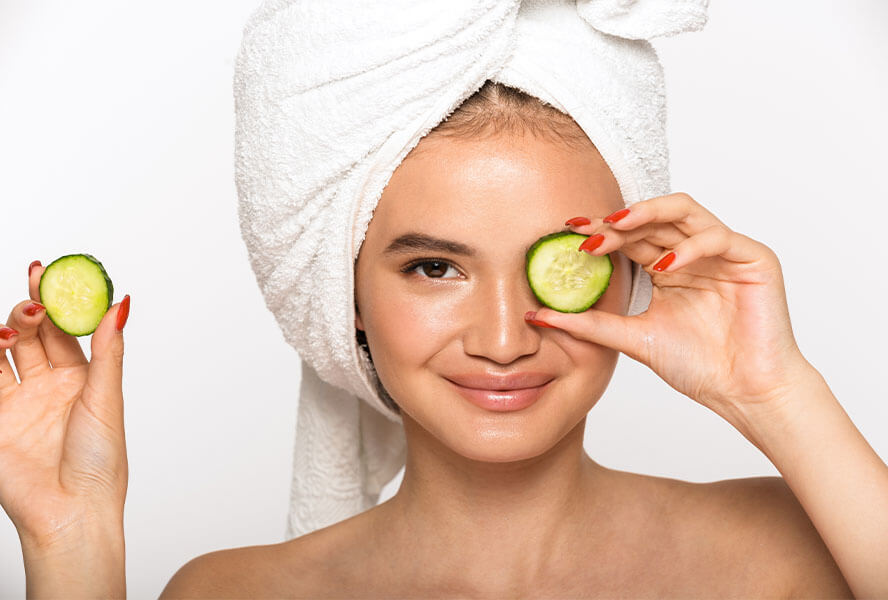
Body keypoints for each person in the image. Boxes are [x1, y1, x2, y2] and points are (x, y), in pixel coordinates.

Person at [3, 79, 887, 598]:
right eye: (434, 268)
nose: (503, 339)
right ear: (344, 293)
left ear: (628, 272)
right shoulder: (232, 593)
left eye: (557, 264)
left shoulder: (792, 551)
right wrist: (70, 542)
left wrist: (774, 392)